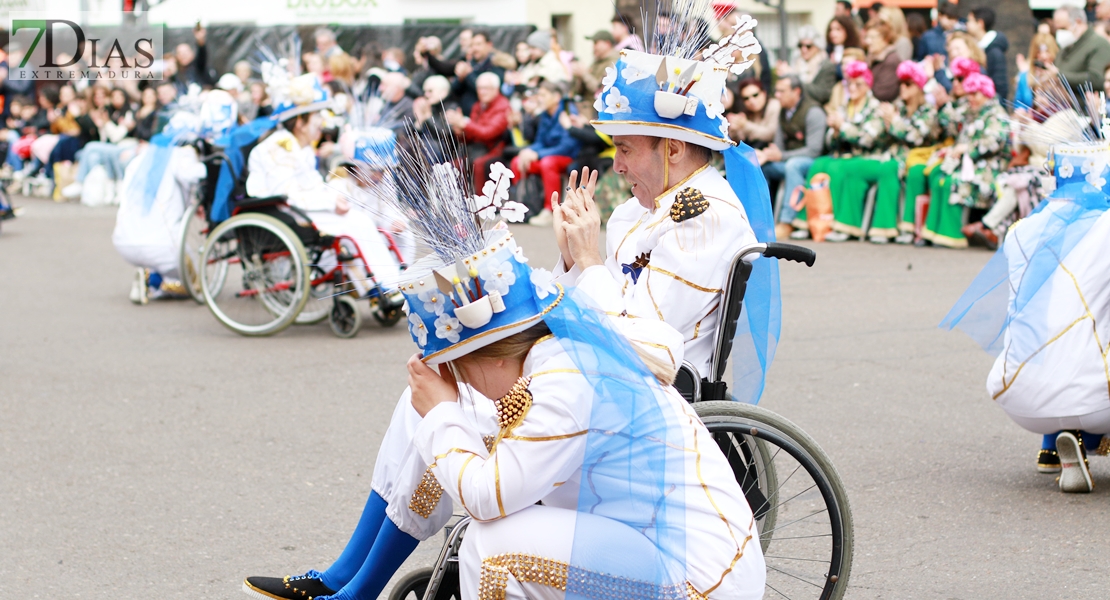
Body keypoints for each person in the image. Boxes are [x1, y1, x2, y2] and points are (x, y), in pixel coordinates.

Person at [943, 137, 1110, 494]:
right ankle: (1093, 437)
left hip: (1018, 397)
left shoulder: (1020, 231)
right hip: (1093, 402)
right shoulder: (1105, 226)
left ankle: (1055, 446)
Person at [246, 72, 403, 292]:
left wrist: (332, 198)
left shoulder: (301, 147)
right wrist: (331, 202)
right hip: (286, 211)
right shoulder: (277, 148)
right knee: (356, 223)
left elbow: (312, 185)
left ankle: (387, 281)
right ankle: (379, 283)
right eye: (317, 115)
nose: (322, 121)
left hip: (303, 206)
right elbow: (286, 192)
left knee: (360, 221)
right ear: (300, 122)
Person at [794, 60, 890, 243]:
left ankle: (837, 224)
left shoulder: (875, 107)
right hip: (844, 156)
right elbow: (830, 141)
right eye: (849, 83)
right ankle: (809, 221)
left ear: (867, 84)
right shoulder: (845, 107)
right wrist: (835, 131)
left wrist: (842, 126)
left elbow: (868, 138)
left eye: (858, 84)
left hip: (869, 157)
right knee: (818, 164)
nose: (852, 88)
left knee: (839, 168)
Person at [921, 72, 1009, 248]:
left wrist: (967, 149)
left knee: (952, 182)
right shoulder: (971, 112)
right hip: (967, 165)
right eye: (968, 94)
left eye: (974, 94)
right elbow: (953, 124)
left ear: (986, 94)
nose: (971, 98)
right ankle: (931, 231)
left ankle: (950, 235)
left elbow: (993, 143)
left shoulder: (997, 114)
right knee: (938, 175)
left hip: (989, 169)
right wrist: (943, 106)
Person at [758, 75, 826, 239]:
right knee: (762, 167)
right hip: (790, 160)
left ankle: (788, 222)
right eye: (777, 91)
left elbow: (814, 150)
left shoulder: (814, 112)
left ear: (796, 92)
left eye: (782, 91)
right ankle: (760, 219)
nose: (777, 95)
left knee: (793, 165)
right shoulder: (783, 112)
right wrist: (768, 155)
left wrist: (781, 155)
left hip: (814, 163)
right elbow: (779, 146)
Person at [880, 61, 938, 243]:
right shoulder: (898, 107)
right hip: (896, 156)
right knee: (886, 167)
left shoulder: (928, 110)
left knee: (914, 172)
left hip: (919, 157)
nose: (902, 88)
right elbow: (884, 138)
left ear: (918, 86)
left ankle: (908, 227)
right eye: (900, 83)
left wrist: (894, 121)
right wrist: (885, 122)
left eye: (908, 84)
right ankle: (885, 226)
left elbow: (917, 137)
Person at [446, 72, 511, 192]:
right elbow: (471, 135)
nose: (482, 92)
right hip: (475, 150)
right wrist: (460, 131)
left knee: (478, 164)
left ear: (496, 89)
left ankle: (482, 206)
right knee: (450, 167)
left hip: (494, 151)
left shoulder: (503, 106)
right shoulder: (478, 106)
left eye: (485, 88)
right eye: (479, 88)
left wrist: (465, 124)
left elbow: (489, 133)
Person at [1049, 5, 1110, 96]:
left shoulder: (1099, 44)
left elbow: (1096, 79)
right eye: (1057, 29)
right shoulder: (1066, 46)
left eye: (1063, 28)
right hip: (1062, 105)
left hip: (1085, 107)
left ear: (1078, 22)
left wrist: (1059, 75)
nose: (1060, 33)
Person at [776, 25, 837, 105]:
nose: (804, 49)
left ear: (818, 46)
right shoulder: (796, 62)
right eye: (800, 45)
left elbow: (822, 94)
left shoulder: (826, 65)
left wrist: (794, 77)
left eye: (808, 46)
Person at [452, 30, 506, 115]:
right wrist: (460, 78)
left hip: (485, 116)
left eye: (478, 44)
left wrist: (469, 74)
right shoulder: (468, 63)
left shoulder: (496, 64)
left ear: (489, 45)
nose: (475, 48)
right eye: (472, 45)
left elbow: (491, 91)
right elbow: (455, 90)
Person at [967, 7, 1010, 103]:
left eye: (970, 21)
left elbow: (1001, 87)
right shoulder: (979, 48)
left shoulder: (994, 51)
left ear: (980, 23)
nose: (967, 24)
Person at [727, 78, 779, 149]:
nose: (751, 101)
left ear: (764, 93)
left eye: (755, 95)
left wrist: (745, 125)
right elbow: (741, 139)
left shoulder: (774, 105)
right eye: (746, 98)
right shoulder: (747, 112)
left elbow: (770, 135)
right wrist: (734, 129)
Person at [1013, 33, 1059, 111]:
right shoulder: (1024, 77)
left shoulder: (1059, 76)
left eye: (1047, 51)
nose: (1043, 56)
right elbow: (1018, 104)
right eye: (1039, 52)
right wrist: (1021, 111)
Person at [865, 21, 902, 102]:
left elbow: (883, 94)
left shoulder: (890, 61)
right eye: (867, 37)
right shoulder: (872, 58)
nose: (868, 41)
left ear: (885, 38)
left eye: (872, 37)